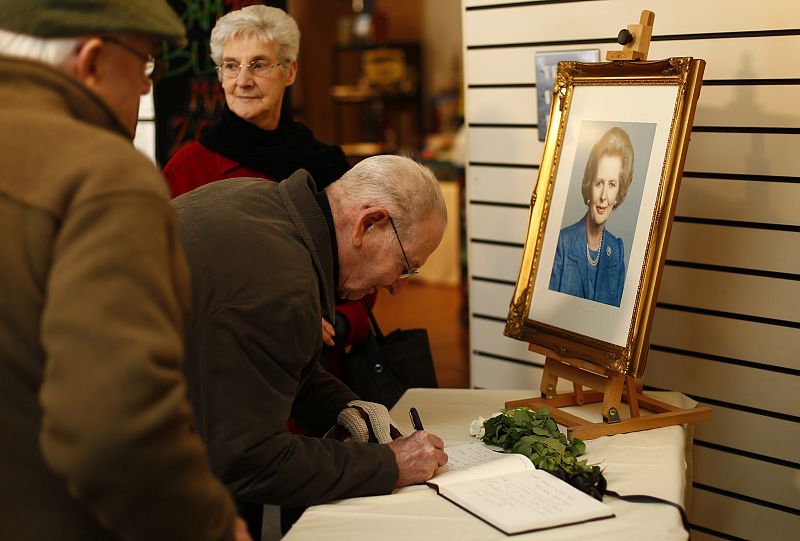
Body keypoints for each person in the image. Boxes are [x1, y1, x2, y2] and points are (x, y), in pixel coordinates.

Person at [0, 1, 249, 540]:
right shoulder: (102, 179)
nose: (145, 89)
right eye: (144, 66)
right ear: (91, 61)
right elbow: (115, 431)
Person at [173, 155, 450, 535]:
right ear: (369, 224)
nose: (397, 286)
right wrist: (389, 464)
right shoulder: (281, 286)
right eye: (405, 266)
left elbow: (263, 363)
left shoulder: (263, 203)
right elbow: (251, 461)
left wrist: (344, 405)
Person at [163, 4, 372, 380]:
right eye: (230, 65)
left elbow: (366, 262)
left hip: (320, 373)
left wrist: (341, 323)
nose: (242, 80)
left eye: (259, 65)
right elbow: (168, 278)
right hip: (228, 371)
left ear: (290, 71)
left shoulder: (327, 166)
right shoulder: (188, 169)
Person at [549, 127, 634, 307]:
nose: (604, 196)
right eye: (599, 183)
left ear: (619, 193)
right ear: (589, 186)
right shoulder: (562, 244)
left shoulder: (616, 251)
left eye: (612, 184)